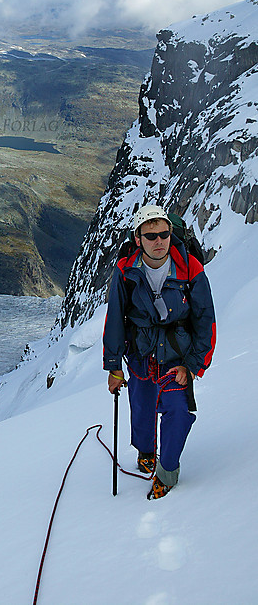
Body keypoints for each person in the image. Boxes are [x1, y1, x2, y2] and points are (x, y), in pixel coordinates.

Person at [103, 204, 216, 499]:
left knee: (177, 411)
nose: (159, 241)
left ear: (170, 234)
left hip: (176, 355)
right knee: (141, 404)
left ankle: (166, 473)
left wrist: (192, 366)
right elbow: (115, 316)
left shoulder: (191, 268)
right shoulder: (126, 270)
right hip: (140, 351)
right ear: (138, 239)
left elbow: (206, 320)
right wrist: (114, 366)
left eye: (164, 234)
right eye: (150, 235)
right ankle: (146, 451)